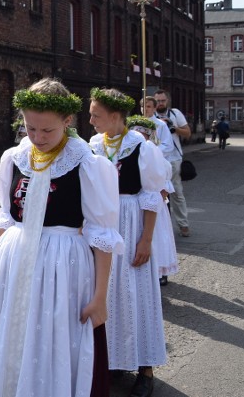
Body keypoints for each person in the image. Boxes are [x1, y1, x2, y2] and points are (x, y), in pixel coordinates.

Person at [0, 79, 122, 397]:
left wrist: (100, 297)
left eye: (46, 131)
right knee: (10, 341)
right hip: (16, 266)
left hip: (62, 271)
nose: (37, 138)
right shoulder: (13, 158)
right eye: (30, 128)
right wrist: (7, 263)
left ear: (67, 121)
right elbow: (7, 216)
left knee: (52, 343)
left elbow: (101, 236)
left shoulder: (88, 164)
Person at [89, 88, 167, 397]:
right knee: (106, 293)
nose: (90, 119)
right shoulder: (93, 145)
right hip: (102, 223)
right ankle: (114, 359)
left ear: (115, 116)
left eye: (96, 114)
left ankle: (145, 369)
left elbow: (151, 198)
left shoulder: (141, 147)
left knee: (136, 294)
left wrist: (146, 240)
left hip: (131, 222)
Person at [127, 115, 178, 286]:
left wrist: (149, 201)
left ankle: (158, 271)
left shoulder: (158, 160)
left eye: (142, 134)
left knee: (155, 240)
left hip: (152, 209)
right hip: (134, 208)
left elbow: (163, 191)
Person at [154, 89, 192, 237]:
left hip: (174, 159)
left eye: (162, 101)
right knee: (158, 194)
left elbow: (188, 133)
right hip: (157, 160)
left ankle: (183, 224)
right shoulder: (150, 117)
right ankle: (163, 226)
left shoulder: (175, 114)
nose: (160, 103)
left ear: (167, 101)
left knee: (176, 192)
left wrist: (174, 128)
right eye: (157, 101)